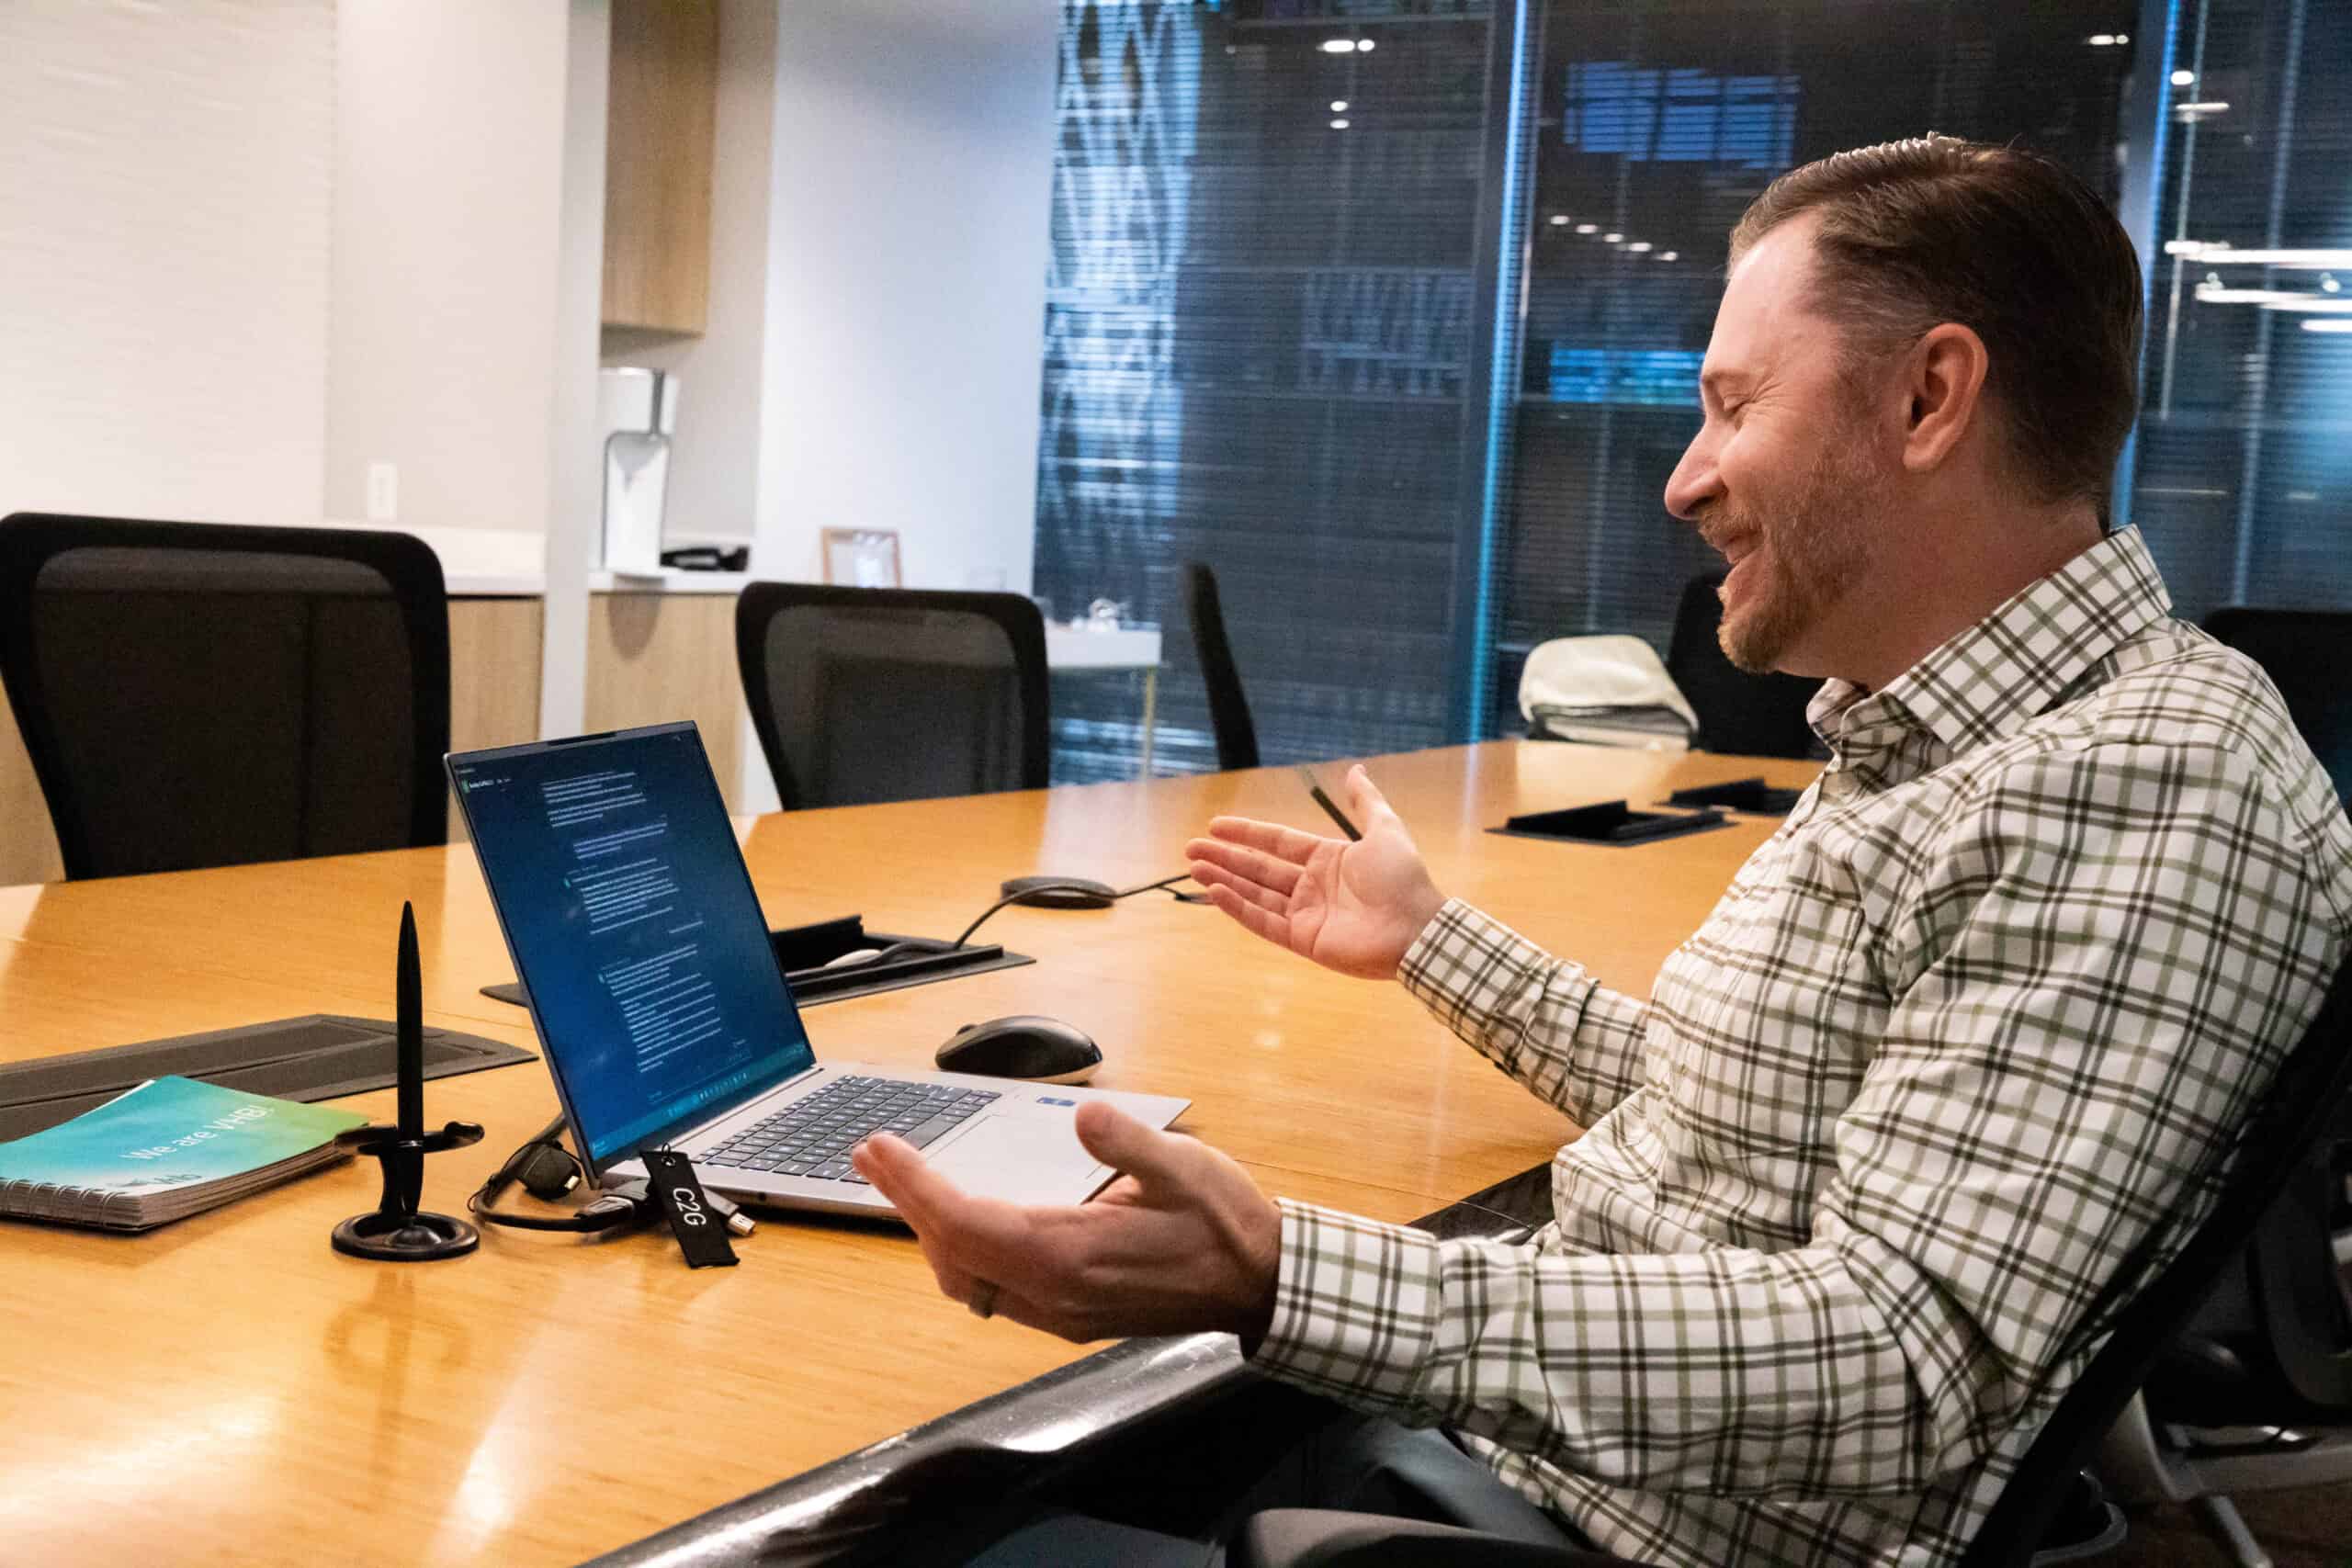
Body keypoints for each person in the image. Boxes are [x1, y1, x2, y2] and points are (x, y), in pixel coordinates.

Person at [853, 136, 2352, 1567]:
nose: (1684, 478)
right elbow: (1750, 1112)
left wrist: (1285, 1275)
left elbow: (1900, 1364)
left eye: (1733, 404)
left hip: (1584, 1526)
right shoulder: (1954, 734)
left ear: (1928, 400)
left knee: (901, 1504)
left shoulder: (2143, 783)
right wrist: (1435, 944)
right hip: (1534, 1460)